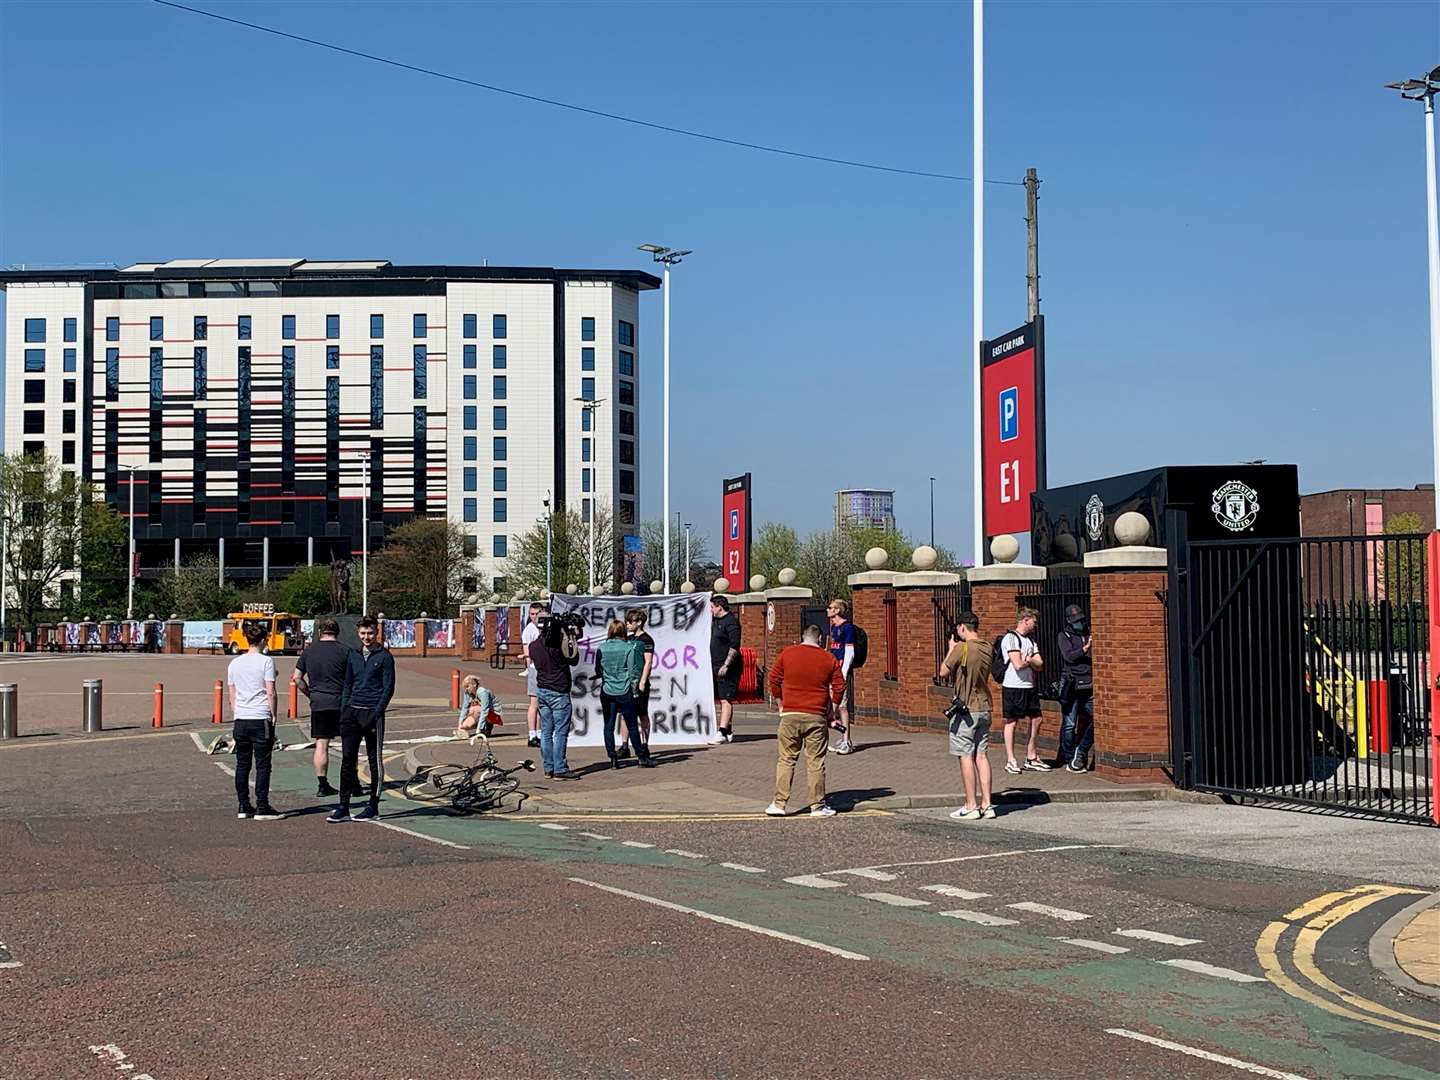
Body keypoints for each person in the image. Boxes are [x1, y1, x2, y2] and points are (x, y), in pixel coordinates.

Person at [765, 624, 845, 818]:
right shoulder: (829, 658)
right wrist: (832, 711)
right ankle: (817, 806)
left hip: (790, 715)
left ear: (803, 637)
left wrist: (780, 703)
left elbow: (773, 679)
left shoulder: (788, 653)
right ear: (819, 639)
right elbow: (839, 686)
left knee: (786, 759)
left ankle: (779, 804)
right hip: (816, 716)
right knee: (816, 761)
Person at [328, 615, 396, 823]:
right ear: (358, 634)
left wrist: (377, 712)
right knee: (347, 760)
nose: (367, 637)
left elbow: (388, 688)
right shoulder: (353, 655)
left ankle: (373, 806)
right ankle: (343, 806)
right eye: (363, 633)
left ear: (377, 633)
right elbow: (347, 683)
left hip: (372, 714)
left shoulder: (384, 657)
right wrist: (345, 708)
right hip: (352, 713)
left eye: (370, 633)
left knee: (374, 759)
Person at [939, 612, 995, 820]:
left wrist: (951, 648)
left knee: (965, 755)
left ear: (962, 628)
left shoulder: (962, 648)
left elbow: (943, 671)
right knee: (982, 755)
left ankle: (971, 804)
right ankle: (987, 804)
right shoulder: (987, 647)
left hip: (966, 709)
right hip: (984, 706)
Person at [227, 622, 283, 820]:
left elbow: (232, 694)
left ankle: (243, 804)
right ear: (264, 640)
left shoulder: (234, 663)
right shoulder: (266, 662)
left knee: (242, 764)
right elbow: (271, 691)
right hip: (260, 717)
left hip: (241, 718)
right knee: (263, 764)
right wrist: (273, 714)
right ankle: (262, 806)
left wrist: (236, 711)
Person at [290, 617, 350, 797]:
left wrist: (310, 693)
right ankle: (351, 783)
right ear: (337, 632)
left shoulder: (309, 652)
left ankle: (322, 784)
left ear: (319, 632)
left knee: (321, 745)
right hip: (341, 702)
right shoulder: (345, 651)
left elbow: (297, 678)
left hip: (319, 702)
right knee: (349, 744)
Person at [595, 619, 654, 769]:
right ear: (623, 632)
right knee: (632, 725)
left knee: (608, 725)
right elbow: (633, 671)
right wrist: (635, 689)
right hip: (624, 689)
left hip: (607, 690)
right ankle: (641, 757)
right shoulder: (628, 648)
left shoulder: (601, 648)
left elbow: (598, 670)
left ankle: (612, 757)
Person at [529, 612, 579, 779]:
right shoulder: (559, 645)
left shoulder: (533, 646)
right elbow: (574, 659)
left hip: (542, 690)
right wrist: (570, 637)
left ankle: (548, 768)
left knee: (546, 731)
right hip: (559, 691)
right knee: (560, 732)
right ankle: (560, 768)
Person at [1001, 607, 1048, 775]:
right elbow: (1018, 664)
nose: (1035, 625)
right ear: (1026, 620)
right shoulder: (1011, 638)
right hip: (1014, 686)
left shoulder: (1031, 641)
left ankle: (1031, 756)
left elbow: (1040, 664)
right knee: (1012, 721)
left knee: (1037, 719)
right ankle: (1011, 760)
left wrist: (1028, 660)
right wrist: (1029, 660)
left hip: (1029, 686)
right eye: (1033, 622)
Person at [1056, 604, 1094, 772]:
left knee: (1096, 718)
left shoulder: (1089, 633)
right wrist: (1084, 649)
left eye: (1081, 620)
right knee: (1070, 723)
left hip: (1088, 682)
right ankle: (1070, 757)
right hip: (1072, 682)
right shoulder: (1064, 635)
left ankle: (1081, 751)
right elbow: (1069, 657)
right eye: (1076, 621)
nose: (1080, 623)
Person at [619, 607, 656, 758]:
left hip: (639, 682)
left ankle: (644, 744)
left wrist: (642, 681)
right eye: (626, 621)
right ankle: (624, 745)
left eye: (630, 621)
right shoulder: (629, 639)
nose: (627, 624)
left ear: (639, 622)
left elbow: (648, 662)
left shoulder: (646, 640)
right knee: (624, 714)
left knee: (642, 714)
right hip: (627, 682)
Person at [826, 598, 857, 755]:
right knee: (834, 705)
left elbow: (849, 652)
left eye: (831, 607)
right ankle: (843, 736)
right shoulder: (833, 627)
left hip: (841, 672)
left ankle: (847, 741)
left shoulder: (847, 628)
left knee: (842, 706)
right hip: (833, 670)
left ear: (837, 610)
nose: (828, 610)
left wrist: (843, 673)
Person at [709, 595, 741, 744]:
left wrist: (726, 665)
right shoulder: (715, 621)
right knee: (722, 698)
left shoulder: (731, 623)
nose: (710, 610)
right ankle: (728, 730)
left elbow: (734, 646)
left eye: (712, 607)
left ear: (719, 607)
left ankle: (721, 732)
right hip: (715, 665)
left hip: (728, 668)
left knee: (725, 699)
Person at [521, 602, 544, 748]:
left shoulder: (546, 627)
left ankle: (542, 733)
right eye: (532, 614)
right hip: (536, 669)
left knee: (544, 703)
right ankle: (532, 735)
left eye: (537, 614)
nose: (534, 617)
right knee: (534, 703)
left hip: (546, 669)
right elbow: (527, 653)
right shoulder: (529, 630)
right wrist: (530, 668)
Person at [455, 674, 503, 739]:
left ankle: (487, 726)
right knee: (465, 725)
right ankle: (483, 728)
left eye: (467, 686)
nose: (466, 689)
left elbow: (484, 710)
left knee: (474, 709)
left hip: (493, 714)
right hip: (480, 713)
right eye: (465, 687)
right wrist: (460, 724)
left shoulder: (482, 692)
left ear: (474, 685)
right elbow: (464, 708)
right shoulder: (467, 693)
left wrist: (479, 729)